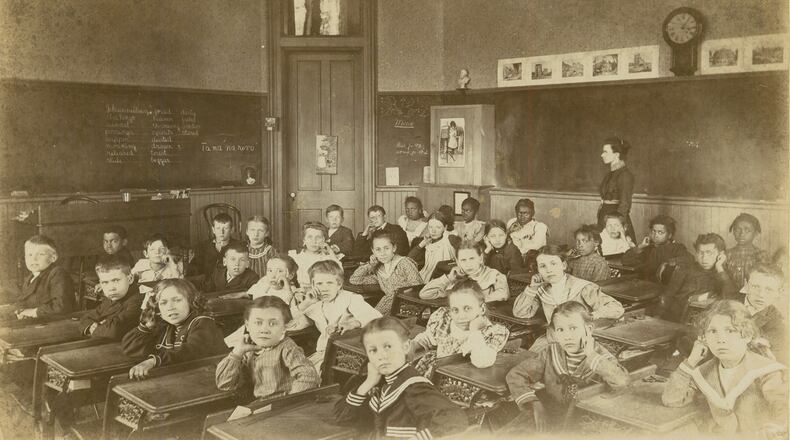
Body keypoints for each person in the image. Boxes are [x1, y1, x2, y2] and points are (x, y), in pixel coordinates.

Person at [662, 300, 787, 436]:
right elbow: (672, 399)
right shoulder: (705, 372)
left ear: (747, 335)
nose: (720, 339)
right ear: (704, 338)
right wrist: (691, 361)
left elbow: (784, 411)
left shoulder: (766, 372)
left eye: (730, 331)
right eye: (712, 331)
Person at [333, 317, 468, 439]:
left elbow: (455, 421)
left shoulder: (414, 387)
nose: (381, 356)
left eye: (388, 347)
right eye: (373, 350)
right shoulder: (377, 382)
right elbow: (342, 418)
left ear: (406, 347)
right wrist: (368, 383)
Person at [506, 302, 629, 432]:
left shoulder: (602, 358)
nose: (567, 336)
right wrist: (535, 403)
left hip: (584, 423)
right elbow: (516, 375)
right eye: (560, 330)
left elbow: (621, 382)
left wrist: (591, 355)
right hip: (550, 414)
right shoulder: (550, 353)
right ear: (554, 333)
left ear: (589, 329)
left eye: (573, 328)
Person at [513, 245, 623, 352]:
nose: (549, 270)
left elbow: (617, 308)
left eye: (553, 264)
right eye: (542, 266)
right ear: (538, 271)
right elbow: (520, 313)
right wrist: (532, 288)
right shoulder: (541, 290)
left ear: (564, 265)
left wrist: (592, 315)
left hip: (581, 341)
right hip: (554, 340)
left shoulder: (582, 288)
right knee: (531, 363)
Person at [215, 296, 320, 400]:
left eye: (273, 323)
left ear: (286, 327)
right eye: (258, 323)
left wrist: (288, 401)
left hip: (280, 406)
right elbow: (224, 384)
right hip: (258, 404)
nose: (264, 330)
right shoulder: (248, 349)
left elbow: (309, 377)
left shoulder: (287, 348)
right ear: (247, 326)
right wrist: (237, 353)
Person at [122, 279, 227, 379]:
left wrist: (153, 361)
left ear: (191, 301)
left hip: (207, 379)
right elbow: (130, 349)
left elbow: (191, 351)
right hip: (179, 378)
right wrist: (147, 326)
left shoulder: (204, 322)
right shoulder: (166, 325)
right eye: (163, 303)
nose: (170, 307)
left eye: (177, 300)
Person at [290, 260, 382, 372]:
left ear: (339, 284)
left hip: (351, 353)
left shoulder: (351, 299)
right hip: (325, 352)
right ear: (313, 285)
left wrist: (354, 324)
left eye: (329, 283)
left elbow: (378, 320)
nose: (324, 288)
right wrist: (306, 303)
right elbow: (289, 323)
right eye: (319, 284)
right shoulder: (314, 304)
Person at [411, 279, 509, 378]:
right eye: (455, 310)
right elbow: (428, 338)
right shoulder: (445, 320)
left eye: (467, 308)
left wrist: (475, 331)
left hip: (464, 380)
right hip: (436, 372)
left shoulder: (492, 333)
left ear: (482, 309)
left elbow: (482, 361)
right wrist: (412, 346)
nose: (461, 316)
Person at [223, 255, 310, 349]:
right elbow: (254, 292)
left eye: (280, 271)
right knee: (236, 337)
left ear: (290, 275)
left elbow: (287, 308)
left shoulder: (290, 292)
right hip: (260, 319)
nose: (273, 275)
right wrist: (242, 294)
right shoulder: (264, 283)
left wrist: (287, 286)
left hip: (280, 323)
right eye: (270, 270)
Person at [659, 233, 737, 322]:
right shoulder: (685, 269)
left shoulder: (723, 273)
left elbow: (731, 298)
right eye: (701, 253)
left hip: (709, 320)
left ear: (721, 255)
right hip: (679, 319)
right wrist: (657, 317)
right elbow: (668, 295)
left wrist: (719, 267)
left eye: (709, 253)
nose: (704, 258)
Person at [349, 230, 422, 315]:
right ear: (373, 251)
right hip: (388, 307)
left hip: (408, 306)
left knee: (371, 318)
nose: (382, 253)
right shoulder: (379, 270)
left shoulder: (404, 263)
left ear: (394, 248)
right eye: (378, 249)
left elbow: (418, 287)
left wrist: (397, 296)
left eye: (386, 248)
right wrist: (370, 265)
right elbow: (355, 279)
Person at [420, 240, 508, 303]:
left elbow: (503, 293)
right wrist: (448, 278)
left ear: (480, 259)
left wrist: (474, 300)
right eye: (463, 260)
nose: (468, 264)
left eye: (472, 258)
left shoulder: (493, 274)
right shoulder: (454, 278)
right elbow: (424, 294)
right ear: (457, 262)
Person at [78, 255, 143, 340]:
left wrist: (97, 327)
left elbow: (115, 330)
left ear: (130, 279)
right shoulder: (112, 298)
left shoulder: (138, 301)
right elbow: (87, 317)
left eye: (116, 280)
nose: (111, 288)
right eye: (105, 282)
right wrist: (90, 327)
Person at [12, 235, 75, 319]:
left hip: (54, 323)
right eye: (29, 255)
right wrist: (20, 311)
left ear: (53, 258)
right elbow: (23, 300)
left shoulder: (57, 273)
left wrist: (32, 312)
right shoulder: (31, 277)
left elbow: (61, 306)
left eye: (41, 254)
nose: (34, 259)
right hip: (35, 320)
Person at [621, 214, 693, 282]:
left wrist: (666, 263)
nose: (655, 235)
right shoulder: (648, 248)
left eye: (660, 232)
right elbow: (625, 260)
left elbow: (689, 258)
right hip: (643, 283)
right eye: (653, 231)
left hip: (664, 285)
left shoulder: (676, 247)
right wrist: (640, 246)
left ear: (669, 235)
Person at [743, 264, 786, 364]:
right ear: (746, 285)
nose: (761, 294)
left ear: (778, 292)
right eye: (755, 287)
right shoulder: (728, 302)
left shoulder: (778, 323)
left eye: (768, 290)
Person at [597, 136, 636, 243]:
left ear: (616, 154)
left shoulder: (625, 175)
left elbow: (625, 205)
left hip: (615, 220)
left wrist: (615, 226)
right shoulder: (610, 174)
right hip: (604, 217)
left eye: (605, 152)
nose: (602, 155)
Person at [131, 234, 183, 311]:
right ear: (146, 254)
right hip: (141, 302)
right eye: (152, 250)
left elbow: (180, 284)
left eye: (162, 249)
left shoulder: (174, 266)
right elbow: (129, 278)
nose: (157, 252)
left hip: (164, 301)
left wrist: (171, 261)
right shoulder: (141, 264)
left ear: (168, 251)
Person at [407, 211, 460, 283]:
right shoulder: (427, 242)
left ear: (445, 227)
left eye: (438, 227)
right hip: (426, 278)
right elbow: (408, 260)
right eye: (430, 227)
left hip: (445, 279)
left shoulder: (450, 238)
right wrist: (422, 243)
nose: (433, 231)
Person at [725, 213, 771, 290]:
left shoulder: (761, 255)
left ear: (755, 233)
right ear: (733, 232)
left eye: (747, 230)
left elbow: (766, 279)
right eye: (738, 229)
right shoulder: (726, 255)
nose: (742, 234)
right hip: (730, 296)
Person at [288, 221, 341, 287]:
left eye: (318, 237)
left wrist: (330, 251)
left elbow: (339, 273)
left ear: (324, 240)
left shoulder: (327, 258)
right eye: (310, 237)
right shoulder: (296, 258)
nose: (314, 241)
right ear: (304, 240)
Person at [188, 213, 240, 278]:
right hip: (206, 283)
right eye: (218, 228)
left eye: (226, 228)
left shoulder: (238, 247)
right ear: (213, 230)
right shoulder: (203, 247)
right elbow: (195, 270)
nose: (222, 232)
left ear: (232, 230)